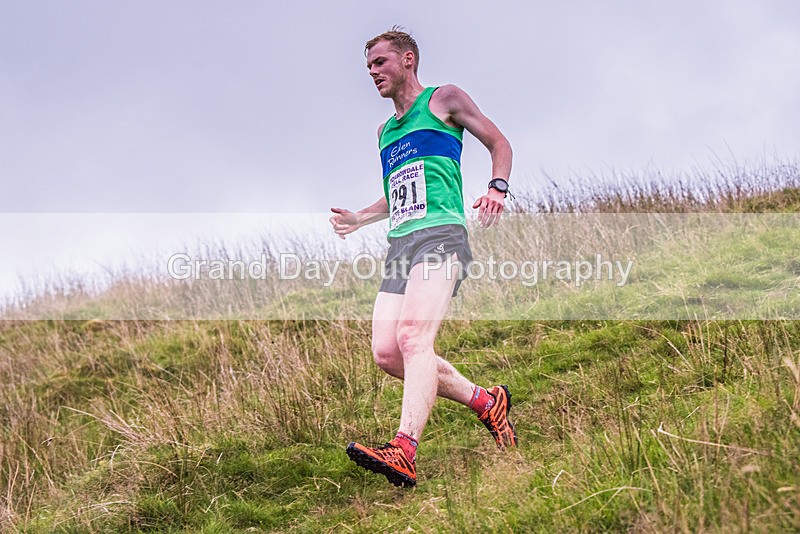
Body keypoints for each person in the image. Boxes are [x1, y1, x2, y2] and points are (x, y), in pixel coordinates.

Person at [329, 27, 516, 488]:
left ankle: (404, 449)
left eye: (380, 63)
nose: (372, 73)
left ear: (407, 59)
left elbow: (500, 143)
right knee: (388, 353)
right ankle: (486, 403)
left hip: (443, 235)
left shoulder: (444, 100)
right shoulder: (385, 132)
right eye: (368, 67)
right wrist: (360, 217)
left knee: (414, 337)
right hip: (401, 244)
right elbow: (399, 193)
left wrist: (497, 187)